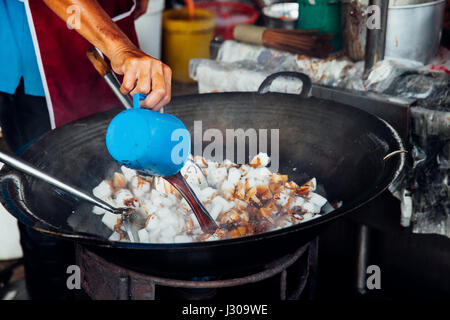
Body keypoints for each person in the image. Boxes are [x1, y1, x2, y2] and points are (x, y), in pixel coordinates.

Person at [0, 0, 172, 299]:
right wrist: (121, 48)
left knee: (111, 171)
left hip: (106, 36)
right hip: (37, 60)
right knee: (47, 213)